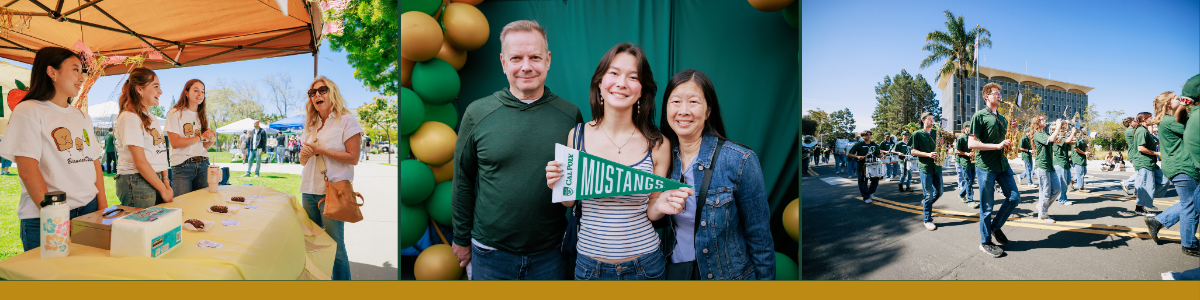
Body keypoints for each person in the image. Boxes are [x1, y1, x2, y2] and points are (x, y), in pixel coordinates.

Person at [452, 20, 583, 280]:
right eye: (516, 58)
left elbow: (575, 185)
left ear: (548, 60)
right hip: (490, 254)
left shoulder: (570, 115)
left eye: (535, 57)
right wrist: (460, 238)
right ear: (503, 62)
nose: (526, 66)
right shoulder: (477, 113)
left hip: (551, 254)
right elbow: (463, 179)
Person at [543, 42, 674, 280]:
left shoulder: (658, 144)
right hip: (589, 268)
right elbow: (569, 203)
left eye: (633, 77)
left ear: (642, 90)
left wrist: (663, 206)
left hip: (646, 266)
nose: (622, 83)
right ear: (600, 84)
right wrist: (557, 183)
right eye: (613, 73)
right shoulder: (578, 135)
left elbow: (653, 210)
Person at [654, 69, 775, 279]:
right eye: (675, 102)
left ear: (708, 111)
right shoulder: (660, 159)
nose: (683, 111)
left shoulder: (740, 160)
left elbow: (760, 238)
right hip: (677, 274)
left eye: (693, 102)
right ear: (666, 108)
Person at [0, 47, 107, 251]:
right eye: (75, 69)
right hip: (47, 216)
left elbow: (94, 163)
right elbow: (28, 171)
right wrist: (56, 220)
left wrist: (102, 207)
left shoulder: (82, 117)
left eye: (81, 71)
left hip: (89, 210)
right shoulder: (29, 110)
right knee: (49, 280)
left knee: (84, 276)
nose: (81, 77)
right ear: (52, 72)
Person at [298, 76, 362, 280]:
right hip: (309, 191)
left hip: (332, 191)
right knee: (313, 244)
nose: (316, 95)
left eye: (322, 90)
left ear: (332, 93)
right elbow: (303, 161)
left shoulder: (346, 120)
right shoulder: (311, 124)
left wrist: (320, 150)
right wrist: (304, 155)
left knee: (335, 246)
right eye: (312, 93)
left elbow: (353, 158)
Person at [966, 82, 1022, 258]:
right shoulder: (979, 116)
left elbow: (1005, 142)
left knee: (1014, 197)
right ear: (986, 97)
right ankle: (985, 242)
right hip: (986, 167)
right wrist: (997, 146)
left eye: (1000, 93)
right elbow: (971, 144)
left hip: (1003, 165)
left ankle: (995, 227)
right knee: (987, 206)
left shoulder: (1003, 118)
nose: (999, 96)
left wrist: (1011, 133)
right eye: (995, 93)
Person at [1144, 88, 1199, 257]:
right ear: (1168, 104)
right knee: (1191, 204)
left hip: (1179, 166)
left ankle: (1158, 220)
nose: (1180, 99)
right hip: (1182, 166)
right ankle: (1189, 244)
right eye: (1176, 98)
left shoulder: (1167, 120)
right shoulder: (1169, 120)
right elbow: (1194, 131)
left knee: (1188, 202)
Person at [114, 68, 171, 208]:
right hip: (137, 180)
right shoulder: (130, 118)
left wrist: (165, 180)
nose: (161, 91)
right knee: (144, 227)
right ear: (139, 89)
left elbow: (160, 152)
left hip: (154, 179)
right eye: (156, 86)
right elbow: (140, 162)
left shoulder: (151, 117)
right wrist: (163, 189)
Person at [165, 79, 216, 196]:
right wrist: (200, 137)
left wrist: (211, 141)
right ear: (186, 93)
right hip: (182, 166)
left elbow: (204, 146)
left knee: (203, 205)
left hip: (203, 164)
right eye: (196, 90)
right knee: (183, 206)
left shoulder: (204, 116)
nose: (200, 94)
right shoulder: (175, 113)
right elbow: (175, 143)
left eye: (203, 92)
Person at [1030, 116, 1066, 223]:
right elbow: (1050, 139)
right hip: (1042, 165)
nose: (1044, 120)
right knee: (1045, 191)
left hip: (1049, 166)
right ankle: (1043, 215)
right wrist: (1058, 127)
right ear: (1037, 122)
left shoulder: (1045, 133)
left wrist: (1062, 130)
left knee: (1057, 189)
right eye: (1042, 119)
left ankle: (1041, 206)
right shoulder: (1038, 134)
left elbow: (1057, 141)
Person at [1131, 112, 1168, 216]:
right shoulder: (1141, 131)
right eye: (1150, 118)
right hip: (1144, 162)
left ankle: (1147, 200)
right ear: (1144, 119)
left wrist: (1161, 142)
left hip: (1150, 162)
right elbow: (1141, 148)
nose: (1152, 119)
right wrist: (1157, 153)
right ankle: (1139, 209)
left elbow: (1150, 144)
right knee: (1145, 186)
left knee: (1164, 181)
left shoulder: (1145, 130)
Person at [910, 113, 942, 230]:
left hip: (937, 167)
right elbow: (913, 152)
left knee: (940, 192)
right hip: (926, 167)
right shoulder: (917, 134)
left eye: (933, 119)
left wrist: (942, 145)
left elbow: (939, 147)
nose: (932, 121)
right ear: (923, 120)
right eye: (930, 119)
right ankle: (927, 220)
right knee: (928, 194)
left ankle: (926, 202)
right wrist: (928, 154)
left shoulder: (936, 132)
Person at [847, 131, 882, 203]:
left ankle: (870, 192)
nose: (869, 136)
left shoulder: (874, 144)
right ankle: (866, 197)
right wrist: (857, 156)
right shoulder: (858, 145)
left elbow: (878, 154)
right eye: (866, 135)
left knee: (875, 180)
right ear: (863, 136)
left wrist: (881, 156)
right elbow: (849, 154)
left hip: (873, 165)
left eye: (870, 135)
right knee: (863, 182)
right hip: (862, 166)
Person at [1051, 120, 1078, 205]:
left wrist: (1076, 135)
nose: (1063, 129)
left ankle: (1057, 196)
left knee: (1067, 181)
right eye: (1062, 128)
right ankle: (1062, 199)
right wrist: (1073, 133)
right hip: (1059, 163)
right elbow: (1067, 141)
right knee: (1063, 183)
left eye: (1064, 128)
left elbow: (1072, 144)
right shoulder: (1057, 139)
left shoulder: (1062, 138)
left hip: (1065, 163)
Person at [954, 125, 978, 208]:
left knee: (970, 181)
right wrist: (966, 153)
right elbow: (956, 151)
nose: (971, 128)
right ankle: (970, 200)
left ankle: (961, 194)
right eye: (968, 127)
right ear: (965, 128)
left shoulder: (974, 137)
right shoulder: (961, 138)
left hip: (973, 162)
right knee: (968, 181)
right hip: (964, 162)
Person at [1121, 117, 1138, 194]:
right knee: (1141, 173)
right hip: (1135, 155)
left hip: (1135, 155)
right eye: (1135, 121)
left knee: (1141, 174)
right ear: (1130, 124)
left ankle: (1137, 192)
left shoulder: (1132, 130)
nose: (1136, 122)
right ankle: (1127, 183)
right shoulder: (1130, 131)